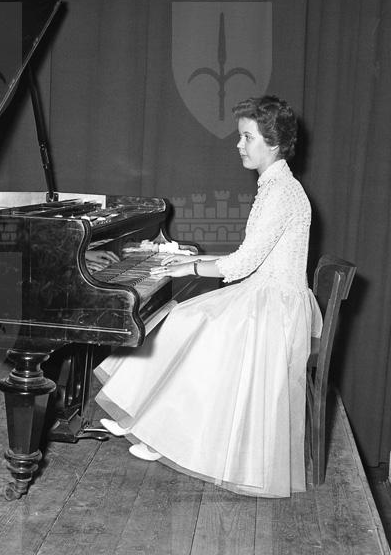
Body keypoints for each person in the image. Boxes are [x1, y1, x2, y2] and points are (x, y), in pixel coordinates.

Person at [93, 95, 321, 498]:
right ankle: (145, 420)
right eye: (241, 136)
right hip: (266, 293)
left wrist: (190, 268)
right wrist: (190, 259)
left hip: (276, 307)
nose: (239, 144)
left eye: (248, 137)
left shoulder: (281, 192)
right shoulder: (276, 185)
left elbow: (243, 264)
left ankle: (155, 431)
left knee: (192, 325)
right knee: (185, 320)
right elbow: (252, 255)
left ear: (272, 142)